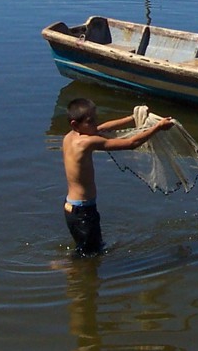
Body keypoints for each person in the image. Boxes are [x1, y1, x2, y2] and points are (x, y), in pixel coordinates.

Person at [62, 97, 174, 256]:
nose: (95, 124)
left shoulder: (70, 137)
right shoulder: (86, 143)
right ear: (75, 124)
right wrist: (158, 127)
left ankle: (71, 266)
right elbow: (131, 143)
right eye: (90, 121)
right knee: (90, 255)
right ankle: (63, 266)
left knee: (88, 250)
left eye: (95, 119)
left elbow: (103, 128)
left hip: (72, 207)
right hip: (83, 210)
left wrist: (132, 118)